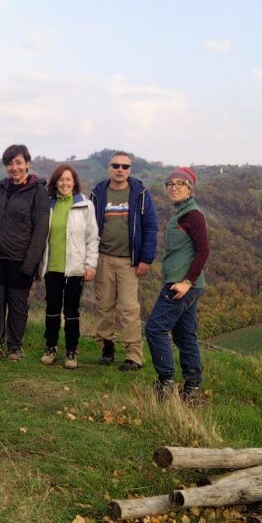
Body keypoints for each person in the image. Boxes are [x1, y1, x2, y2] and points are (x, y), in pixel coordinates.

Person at [0, 144, 50, 361]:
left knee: (17, 306)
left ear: (27, 164)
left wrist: (31, 263)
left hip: (21, 259)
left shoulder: (38, 191)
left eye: (18, 162)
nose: (14, 167)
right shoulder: (0, 188)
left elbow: (40, 231)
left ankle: (15, 348)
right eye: (9, 163)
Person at [145, 167, 210, 403]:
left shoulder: (193, 215)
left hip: (182, 285)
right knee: (185, 336)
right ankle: (192, 389)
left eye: (179, 183)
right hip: (186, 284)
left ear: (190, 187)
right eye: (170, 183)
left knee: (155, 329)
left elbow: (203, 251)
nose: (174, 187)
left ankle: (165, 383)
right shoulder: (182, 213)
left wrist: (186, 282)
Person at [89, 151, 158, 371]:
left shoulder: (140, 193)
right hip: (103, 259)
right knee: (104, 307)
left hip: (130, 261)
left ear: (130, 170)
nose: (120, 170)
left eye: (125, 167)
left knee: (129, 309)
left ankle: (134, 355)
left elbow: (150, 226)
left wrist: (145, 258)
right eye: (116, 165)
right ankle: (106, 348)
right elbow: (88, 227)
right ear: (109, 168)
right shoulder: (98, 193)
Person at [38, 164, 99, 369]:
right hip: (52, 267)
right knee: (52, 309)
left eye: (68, 180)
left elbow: (92, 238)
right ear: (55, 183)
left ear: (74, 183)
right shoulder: (48, 205)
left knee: (72, 311)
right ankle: (50, 347)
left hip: (76, 268)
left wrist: (90, 265)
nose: (64, 183)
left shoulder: (85, 205)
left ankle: (71, 351)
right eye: (61, 180)